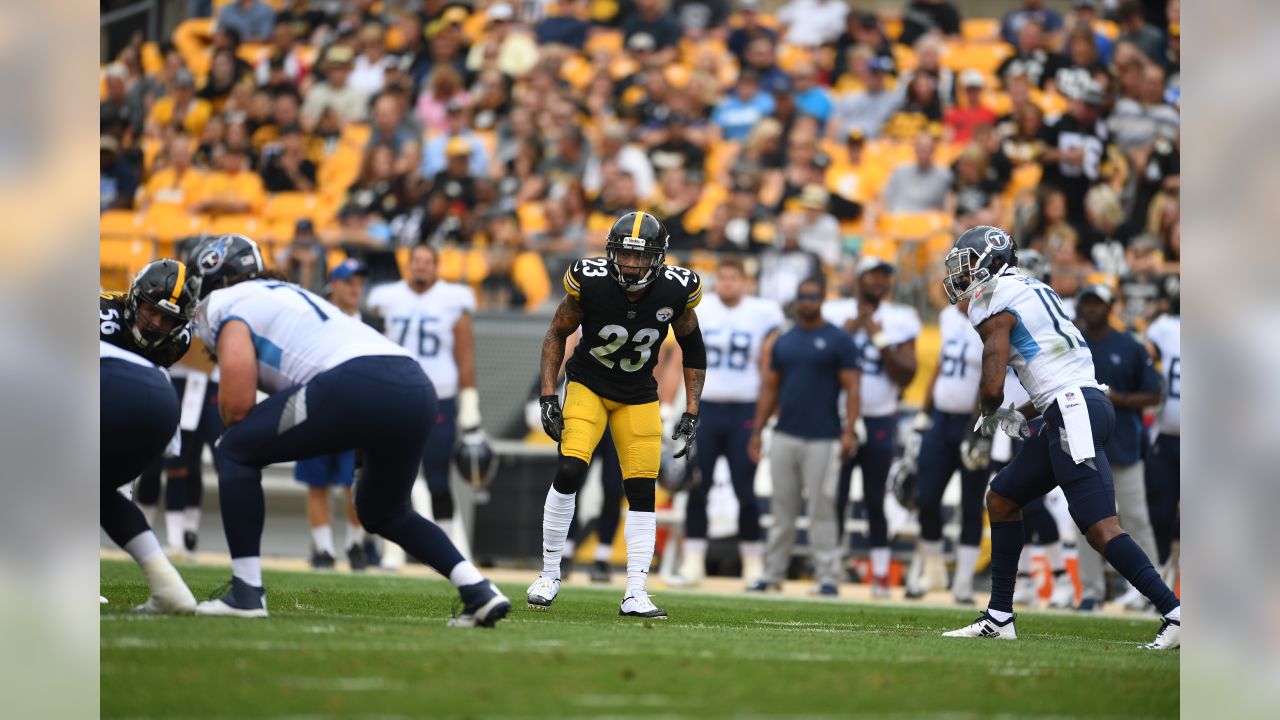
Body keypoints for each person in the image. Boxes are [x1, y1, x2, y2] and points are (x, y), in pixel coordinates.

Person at [188, 234, 509, 626]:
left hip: (354, 381)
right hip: (414, 383)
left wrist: (243, 434)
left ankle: (246, 592)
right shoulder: (288, 294)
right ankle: (478, 589)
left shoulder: (226, 302)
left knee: (234, 448)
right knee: (383, 510)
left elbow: (238, 405)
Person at [939, 225, 1179, 649]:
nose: (961, 275)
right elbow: (1056, 376)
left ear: (992, 262)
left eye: (968, 264)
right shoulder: (1032, 289)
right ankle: (999, 616)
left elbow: (993, 383)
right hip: (1075, 404)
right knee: (1003, 497)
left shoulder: (994, 300)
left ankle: (1176, 613)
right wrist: (1016, 415)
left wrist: (988, 418)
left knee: (1100, 527)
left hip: (1073, 410)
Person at [528, 212, 706, 619]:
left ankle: (635, 591)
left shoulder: (678, 290)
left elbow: (693, 347)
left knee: (642, 491)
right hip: (589, 385)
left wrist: (692, 408)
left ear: (658, 259)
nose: (630, 264)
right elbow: (557, 332)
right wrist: (546, 395)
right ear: (610, 253)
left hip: (639, 394)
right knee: (570, 470)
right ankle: (549, 574)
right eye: (624, 254)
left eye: (640, 257)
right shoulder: (589, 280)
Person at [367, 244, 484, 568]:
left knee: (437, 477)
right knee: (391, 476)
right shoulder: (386, 297)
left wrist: (469, 402)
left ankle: (444, 550)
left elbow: (465, 354)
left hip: (439, 395)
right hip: (396, 394)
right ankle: (393, 550)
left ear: (436, 266)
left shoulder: (453, 299)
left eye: (426, 262)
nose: (420, 267)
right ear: (408, 265)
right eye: (415, 261)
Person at [746, 276, 861, 595]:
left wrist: (849, 430)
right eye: (803, 297)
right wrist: (757, 430)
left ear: (822, 299)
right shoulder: (785, 341)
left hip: (823, 436)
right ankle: (772, 574)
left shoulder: (838, 340)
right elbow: (770, 388)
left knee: (821, 509)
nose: (807, 302)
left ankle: (826, 575)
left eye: (813, 296)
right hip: (785, 433)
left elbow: (853, 389)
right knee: (781, 509)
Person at [673, 257, 784, 587]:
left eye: (734, 278)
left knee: (744, 488)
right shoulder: (701, 311)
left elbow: (769, 363)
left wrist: (768, 409)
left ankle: (753, 564)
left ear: (746, 282)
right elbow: (682, 355)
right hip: (706, 407)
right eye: (723, 278)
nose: (728, 284)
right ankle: (693, 564)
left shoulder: (762, 312)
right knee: (697, 485)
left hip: (744, 411)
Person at [100, 259, 201, 613]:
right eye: (150, 311)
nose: (157, 324)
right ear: (133, 298)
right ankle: (169, 586)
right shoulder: (101, 314)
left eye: (168, 319)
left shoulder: (179, 340)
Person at [823, 257, 920, 596]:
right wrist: (844, 336)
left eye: (885, 276)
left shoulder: (900, 319)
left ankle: (880, 573)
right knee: (834, 497)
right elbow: (819, 362)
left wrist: (879, 341)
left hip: (880, 415)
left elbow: (907, 373)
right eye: (873, 275)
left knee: (875, 498)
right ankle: (830, 569)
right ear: (858, 278)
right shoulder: (835, 315)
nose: (879, 282)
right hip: (837, 418)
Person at [1074, 284, 1163, 611]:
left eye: (1099, 303)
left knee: (1137, 519)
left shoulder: (1129, 346)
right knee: (1084, 522)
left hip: (1124, 445)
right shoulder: (1073, 344)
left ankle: (1153, 593)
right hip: (1083, 446)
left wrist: (1119, 399)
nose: (1093, 309)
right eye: (1088, 303)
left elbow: (1154, 394)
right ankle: (1091, 592)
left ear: (1111, 306)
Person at [294, 260, 381, 571]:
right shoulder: (317, 319)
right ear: (335, 283)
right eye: (349, 282)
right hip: (319, 407)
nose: (356, 288)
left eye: (359, 282)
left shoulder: (372, 322)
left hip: (357, 412)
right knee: (316, 482)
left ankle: (354, 544)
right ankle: (324, 548)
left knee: (354, 483)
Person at [904, 295, 987, 602]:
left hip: (973, 423)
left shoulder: (992, 323)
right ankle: (935, 572)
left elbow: (993, 378)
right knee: (925, 497)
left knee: (970, 504)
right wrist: (923, 415)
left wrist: (978, 426)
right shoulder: (948, 317)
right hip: (940, 420)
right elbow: (940, 366)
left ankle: (963, 582)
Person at [1144, 303, 1180, 591]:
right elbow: (1144, 354)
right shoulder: (1165, 327)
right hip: (1166, 435)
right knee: (1160, 511)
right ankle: (1162, 567)